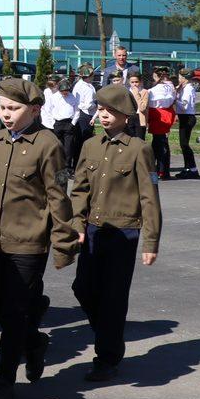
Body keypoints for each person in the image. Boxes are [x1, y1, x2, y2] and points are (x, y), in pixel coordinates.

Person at [0, 76, 75, 399]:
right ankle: (35, 341)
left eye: (13, 108)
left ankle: (3, 379)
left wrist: (63, 242)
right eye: (2, 107)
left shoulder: (48, 144)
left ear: (34, 109)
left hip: (29, 244)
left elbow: (57, 195)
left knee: (12, 314)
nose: (6, 114)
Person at [64, 82, 162, 382]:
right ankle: (110, 335)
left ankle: (106, 356)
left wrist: (151, 241)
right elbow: (79, 188)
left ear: (125, 115)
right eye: (100, 109)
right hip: (93, 229)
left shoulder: (139, 149)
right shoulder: (90, 145)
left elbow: (149, 197)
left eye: (111, 111)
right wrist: (77, 224)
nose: (103, 115)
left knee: (113, 298)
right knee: (82, 288)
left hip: (124, 232)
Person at [145, 67, 176, 181]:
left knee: (158, 143)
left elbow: (149, 102)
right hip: (166, 114)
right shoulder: (170, 87)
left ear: (156, 76)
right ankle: (163, 170)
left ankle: (160, 170)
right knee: (161, 142)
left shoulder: (154, 90)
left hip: (157, 115)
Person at [41, 75, 79, 169]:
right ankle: (57, 165)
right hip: (57, 123)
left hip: (69, 123)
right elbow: (48, 110)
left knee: (69, 147)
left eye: (66, 92)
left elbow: (77, 110)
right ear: (59, 90)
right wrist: (52, 122)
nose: (65, 94)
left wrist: (73, 123)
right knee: (57, 146)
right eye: (63, 92)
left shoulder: (72, 97)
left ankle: (67, 167)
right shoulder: (53, 97)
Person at [174, 71, 200, 179]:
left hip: (187, 117)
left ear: (184, 78)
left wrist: (174, 100)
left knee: (184, 144)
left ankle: (192, 169)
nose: (179, 79)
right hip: (184, 117)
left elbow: (185, 105)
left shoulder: (188, 89)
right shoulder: (184, 88)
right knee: (183, 144)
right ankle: (187, 168)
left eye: (180, 77)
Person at [124, 72, 149, 141]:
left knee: (139, 139)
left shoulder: (144, 92)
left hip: (139, 117)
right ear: (129, 82)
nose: (134, 84)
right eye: (132, 82)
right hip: (129, 117)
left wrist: (136, 94)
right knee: (129, 139)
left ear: (140, 82)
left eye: (136, 82)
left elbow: (142, 108)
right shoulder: (127, 92)